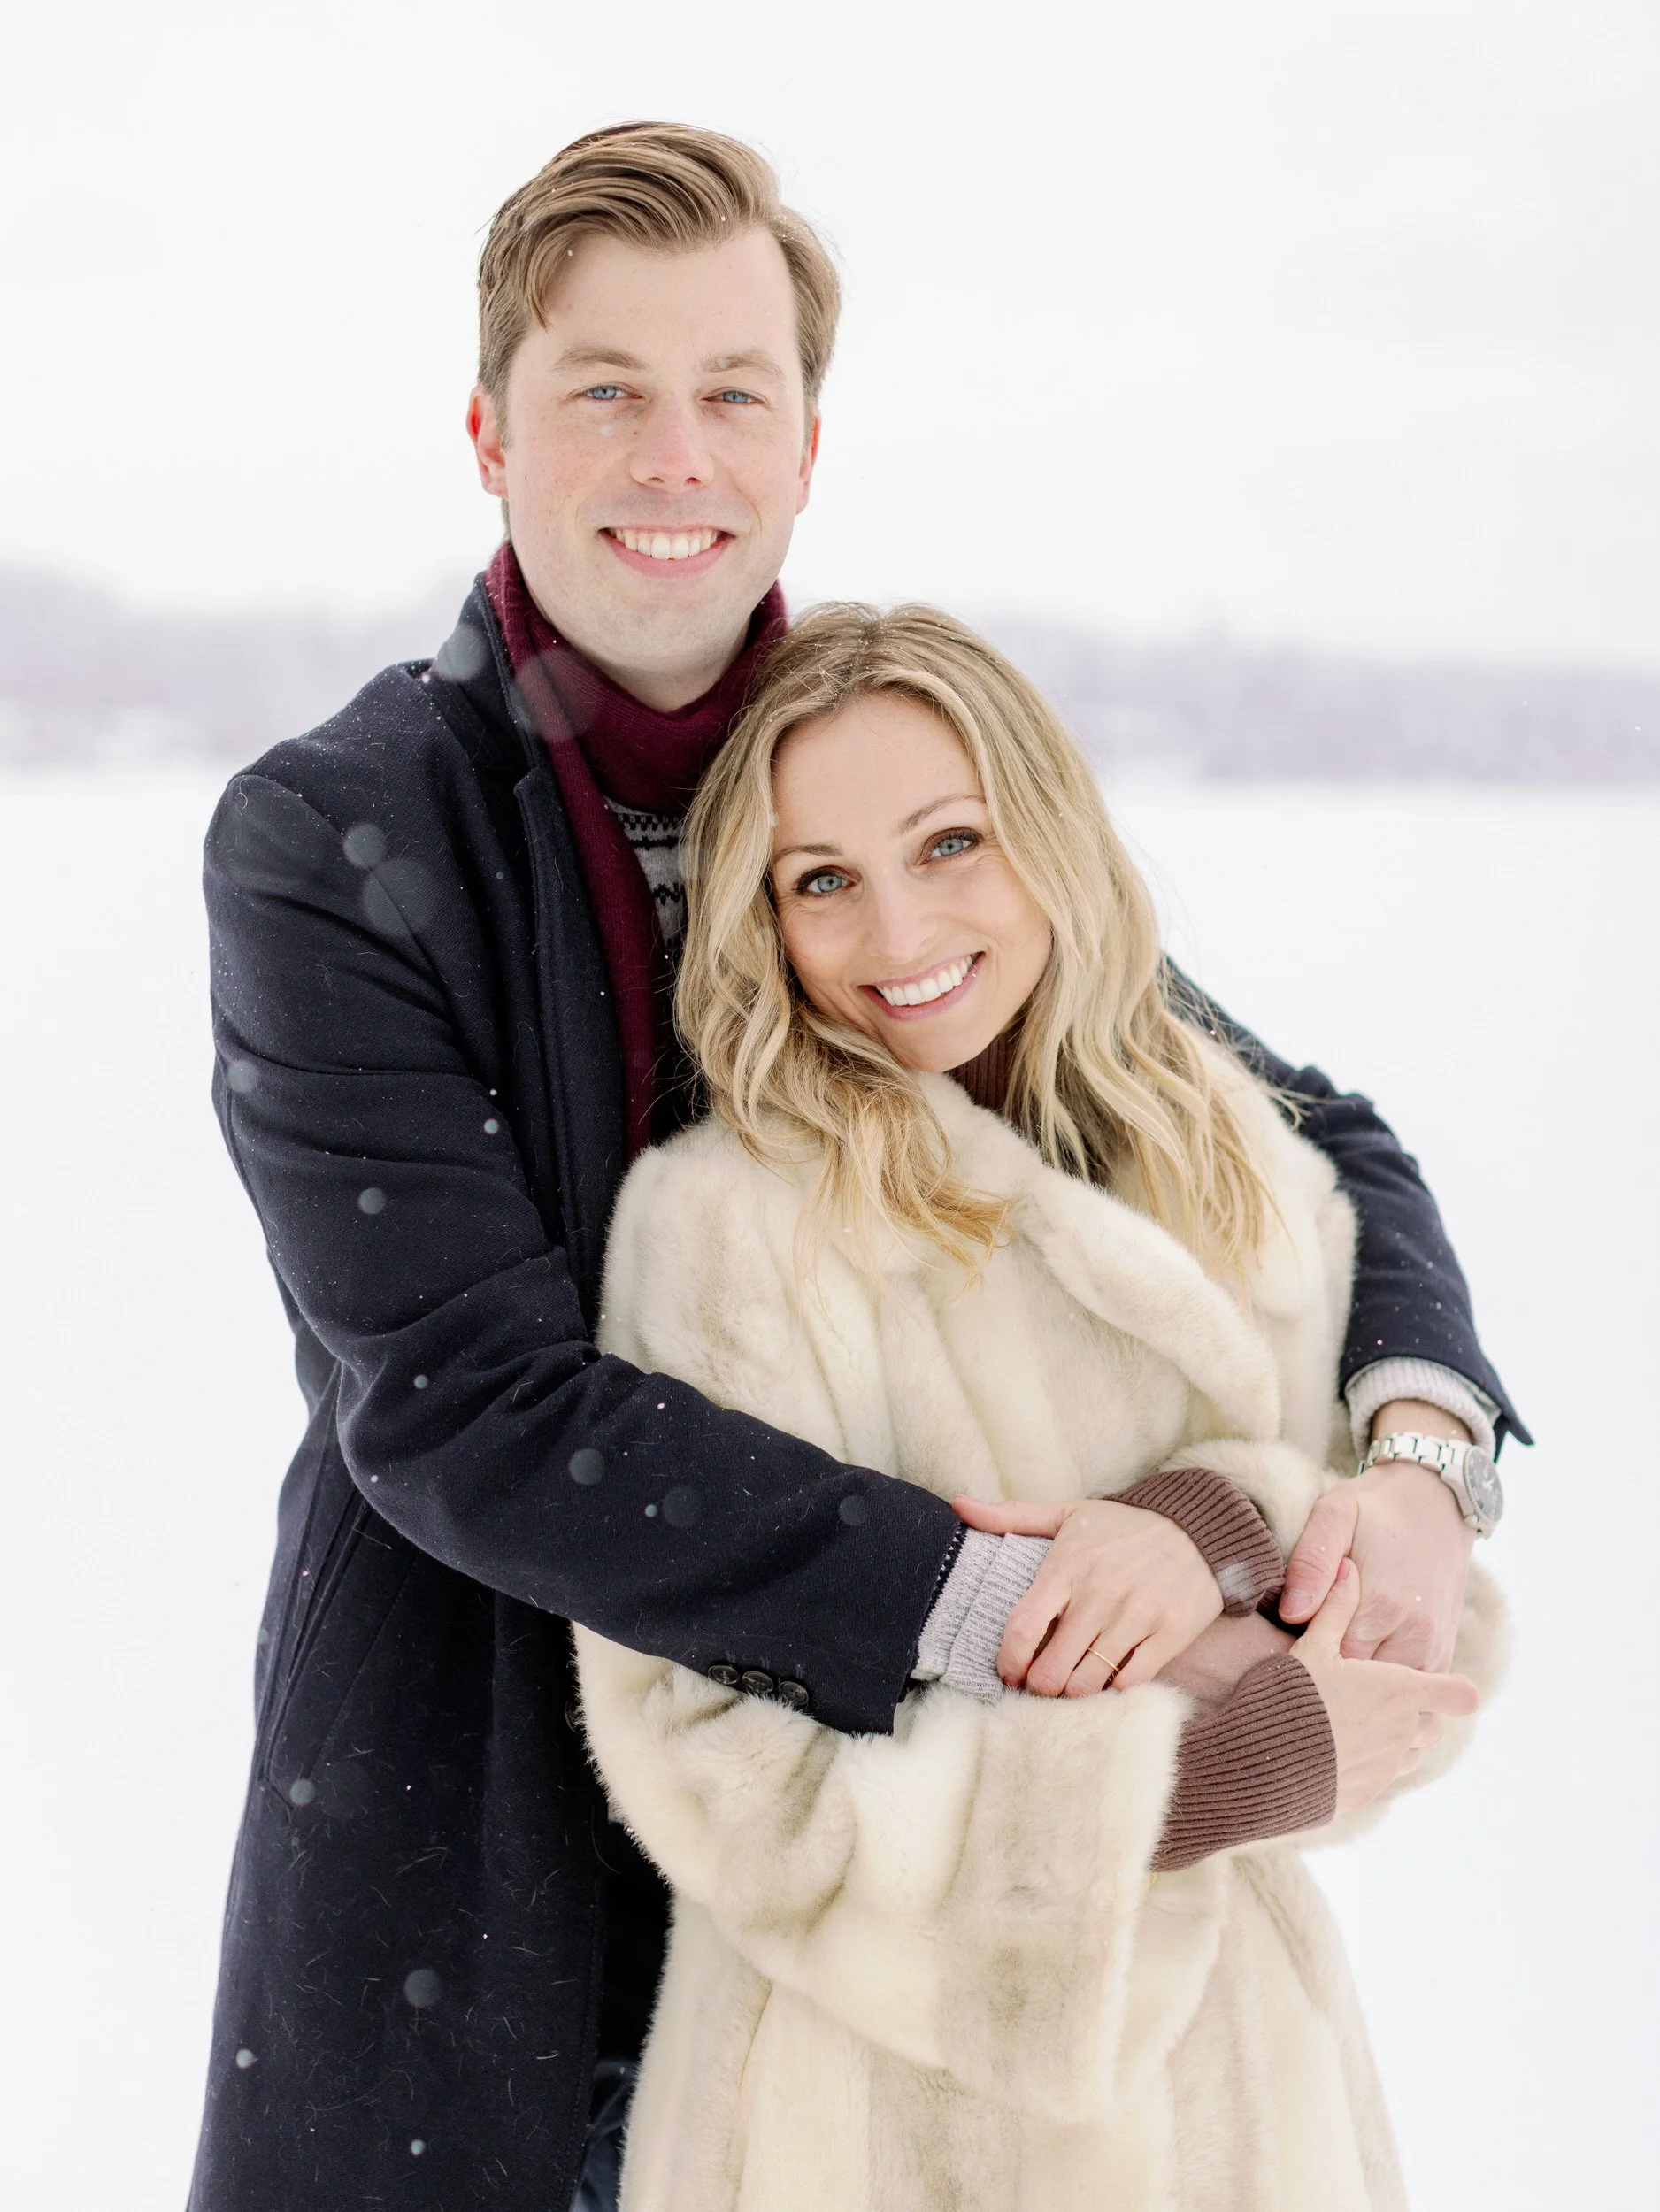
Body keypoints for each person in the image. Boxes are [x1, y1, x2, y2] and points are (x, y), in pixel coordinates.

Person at [188, 124, 1523, 2211]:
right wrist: (1043, 1610)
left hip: (900, 1883)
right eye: (600, 390)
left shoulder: (881, 776)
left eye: (731, 390)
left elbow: (1291, 1121)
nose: (671, 455)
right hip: (485, 1829)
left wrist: (1413, 1456)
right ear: (486, 431)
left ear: (807, 443)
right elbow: (459, 1401)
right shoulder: (339, 837)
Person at [573, 602, 1501, 2209]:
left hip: (1249, 2104)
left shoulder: (1215, 1153)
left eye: (950, 843)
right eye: (822, 880)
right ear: (760, 916)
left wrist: (1199, 1525)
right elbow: (710, 1764)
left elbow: (1416, 1646)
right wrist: (1218, 1770)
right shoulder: (734, 1229)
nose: (896, 931)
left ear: (1049, 836)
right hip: (865, 2134)